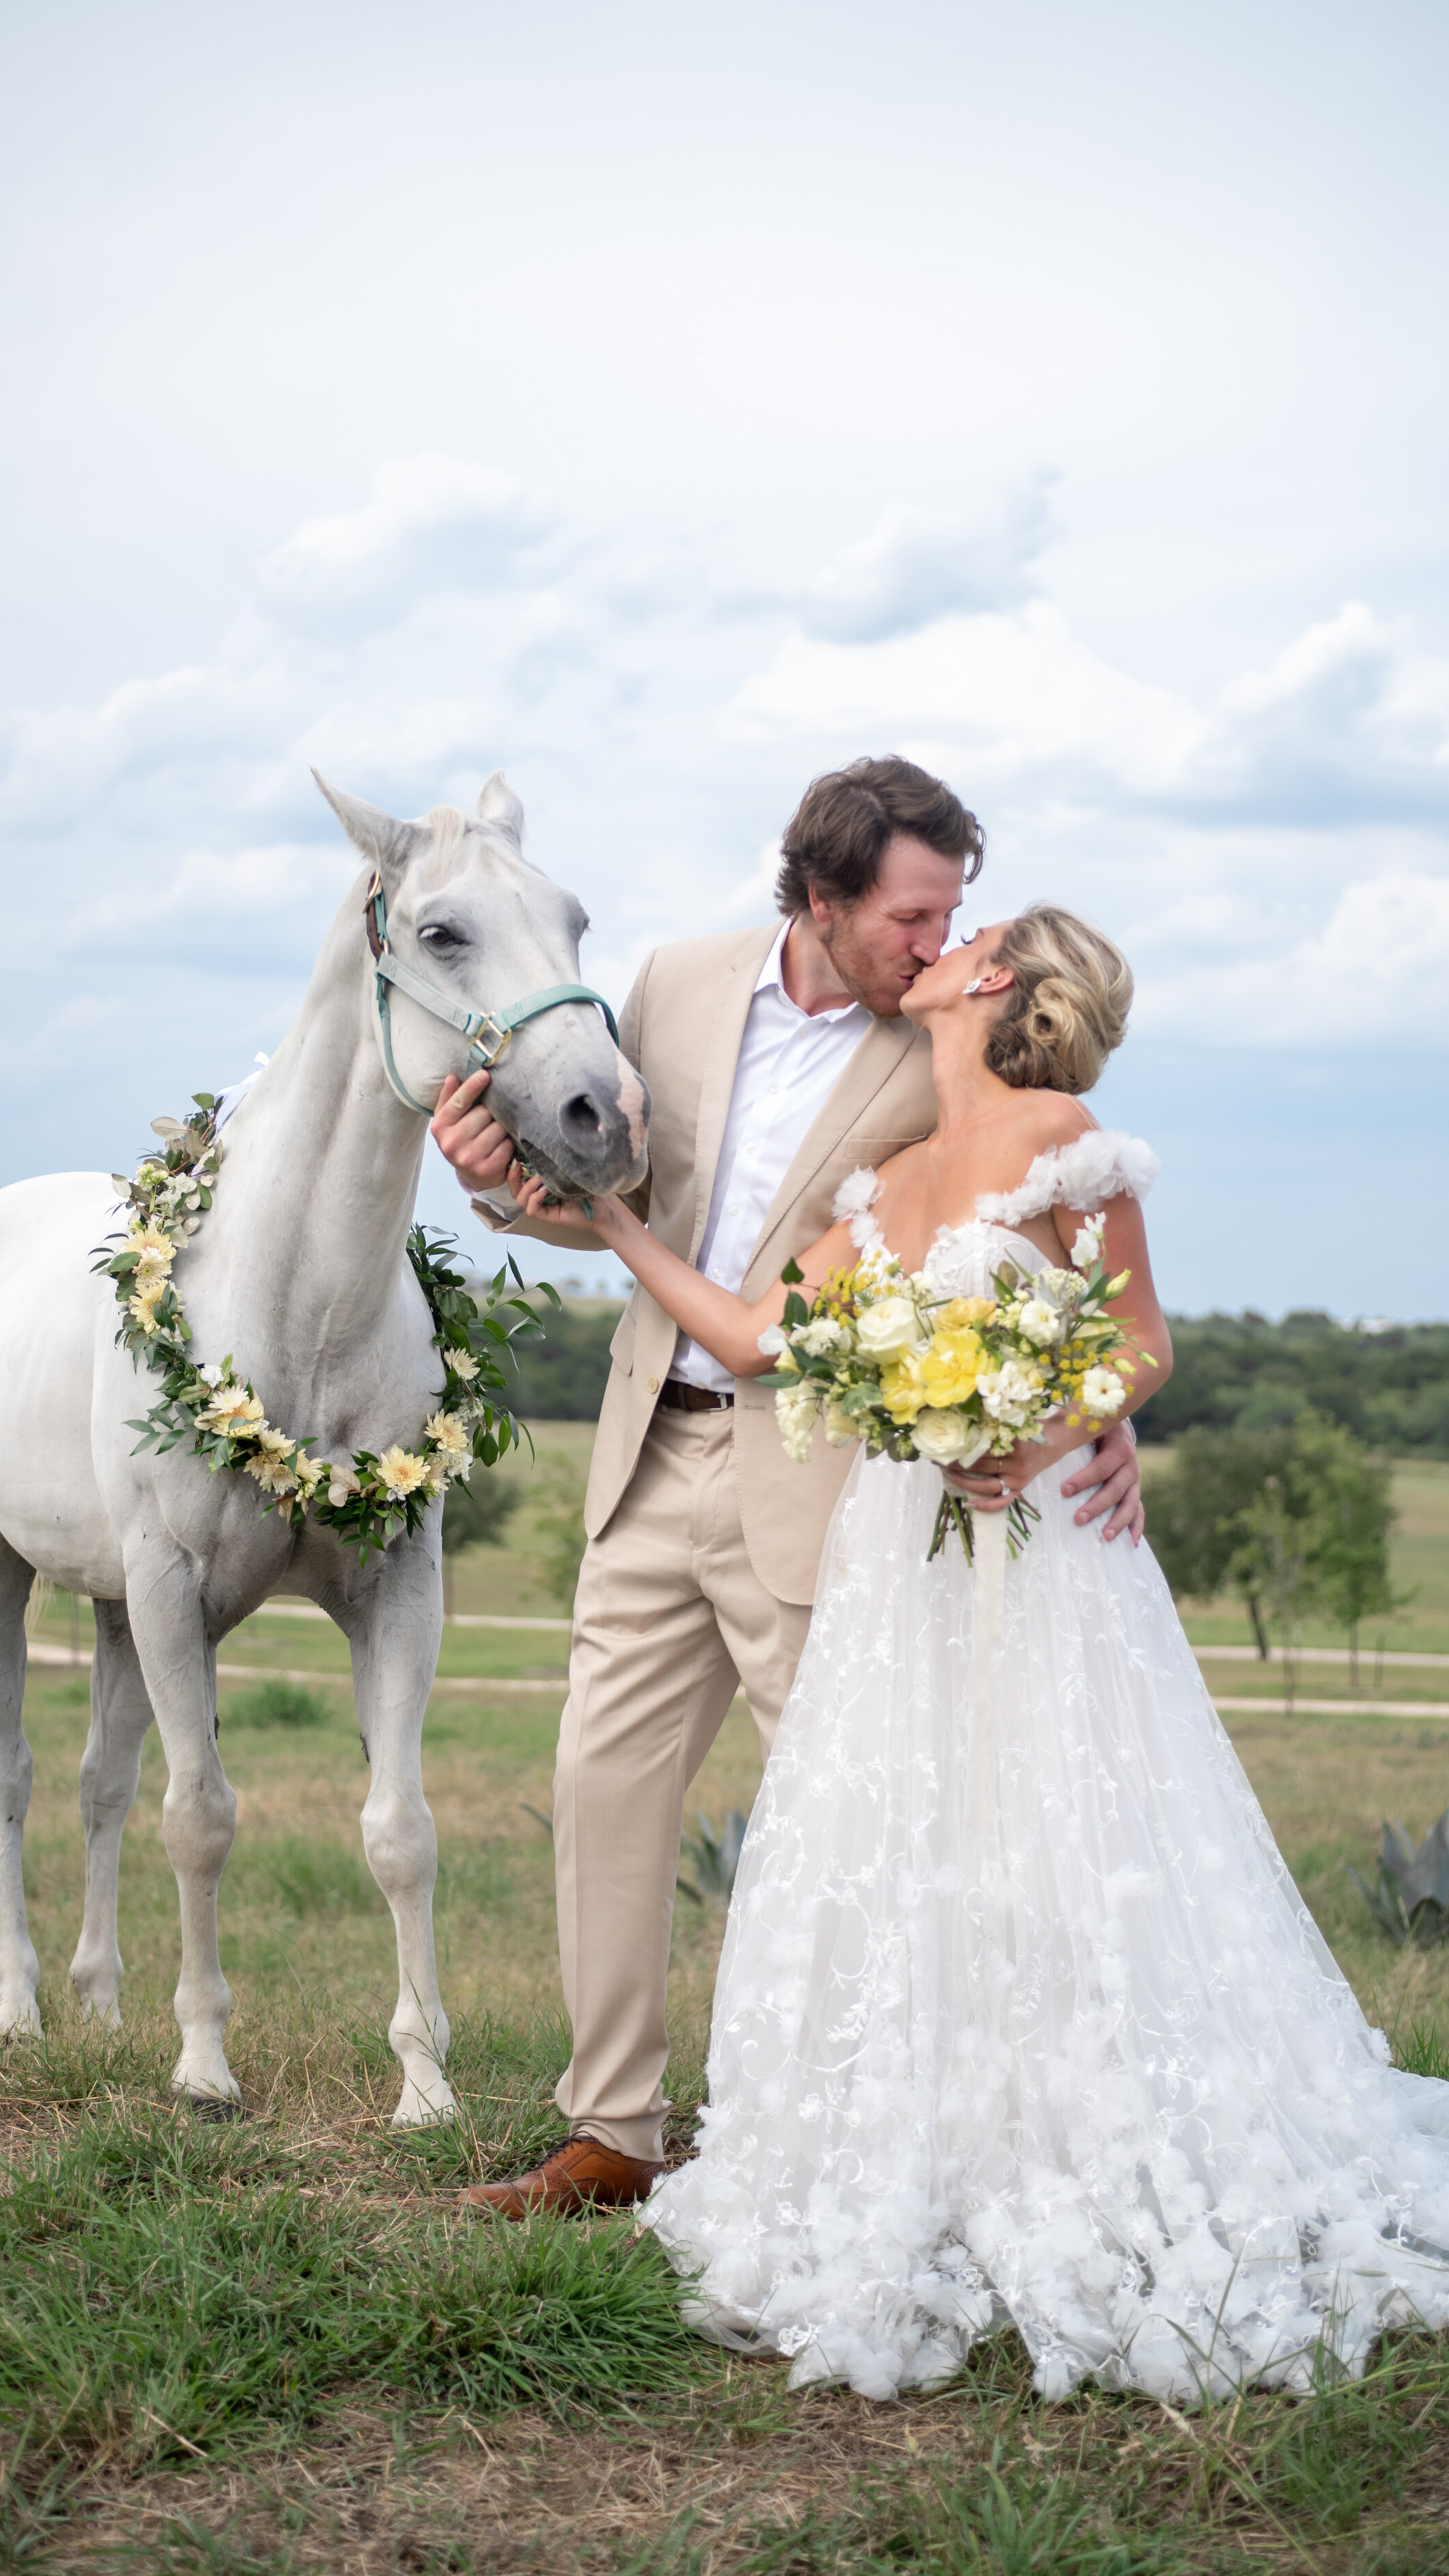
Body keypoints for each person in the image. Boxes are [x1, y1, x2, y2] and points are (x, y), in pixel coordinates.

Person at [510, 902, 1449, 2404]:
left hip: (1046, 1565)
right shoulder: (882, 1177)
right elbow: (762, 1339)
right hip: (895, 1561)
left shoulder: (1059, 1132)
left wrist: (1050, 1429)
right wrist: (620, 1234)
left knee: (1058, 1833)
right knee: (907, 1835)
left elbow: (1137, 1337)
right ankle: (928, 2130)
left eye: (967, 935)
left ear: (995, 984)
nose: (935, 947)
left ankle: (1084, 2133)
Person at [429, 758, 1144, 2218]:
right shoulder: (675, 984)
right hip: (650, 1442)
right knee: (600, 1784)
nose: (937, 943)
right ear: (818, 898)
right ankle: (612, 2127)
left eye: (951, 912)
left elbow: (1033, 1246)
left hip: (829, 1480)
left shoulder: (951, 1047)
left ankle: (885, 2124)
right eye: (909, 913)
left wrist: (1080, 1406)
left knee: (859, 1813)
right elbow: (607, 1194)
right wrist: (491, 1187)